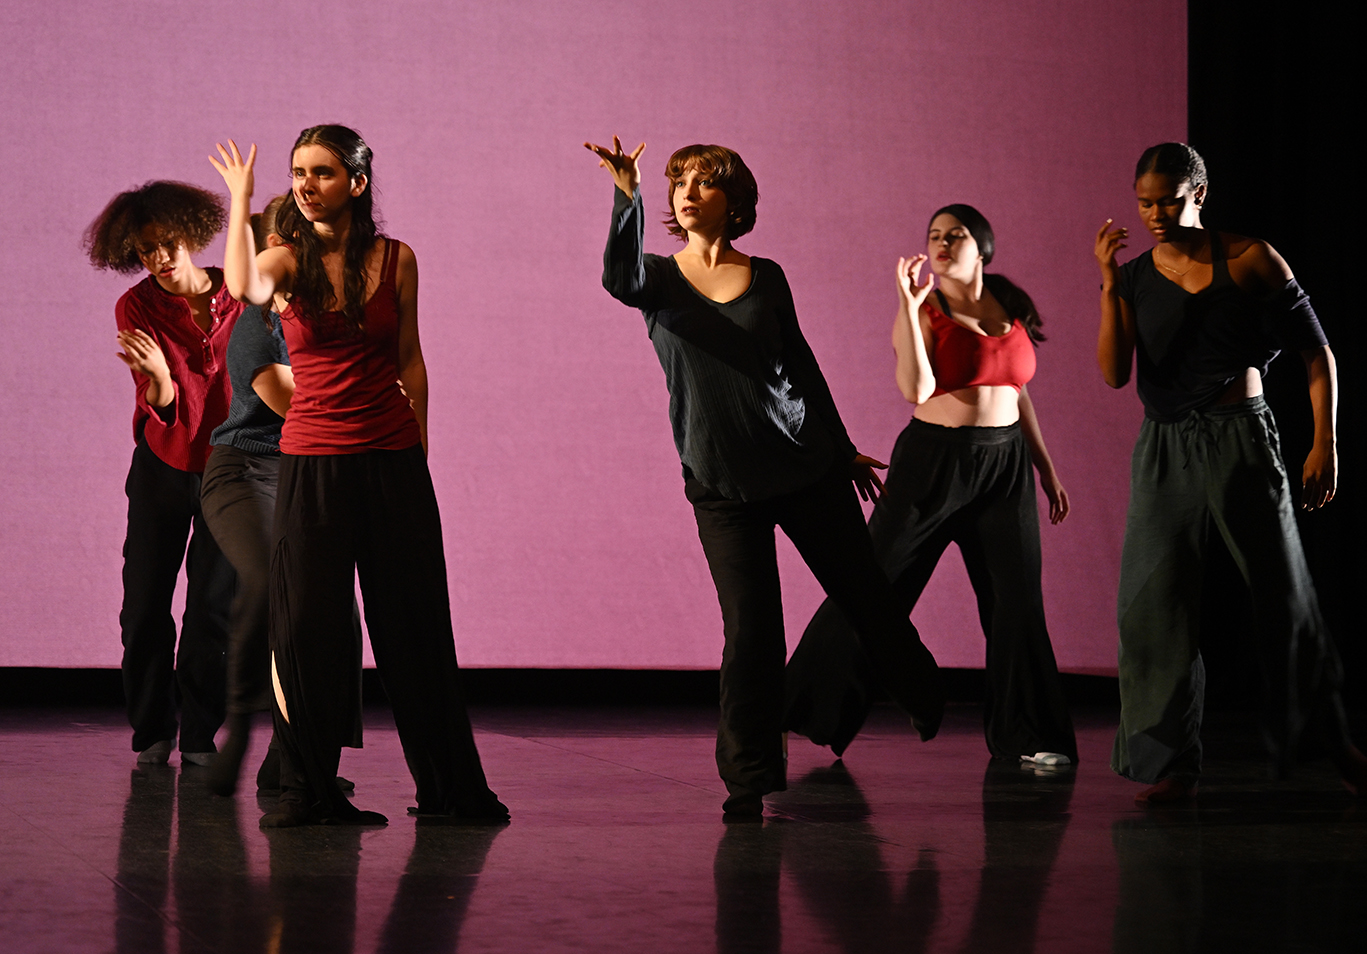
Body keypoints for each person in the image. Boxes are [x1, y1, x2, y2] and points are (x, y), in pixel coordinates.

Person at [586, 135, 945, 819]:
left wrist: (840, 449)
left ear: (735, 201)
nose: (687, 193)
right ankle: (749, 777)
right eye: (678, 183)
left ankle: (922, 692)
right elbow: (618, 278)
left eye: (703, 183)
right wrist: (625, 191)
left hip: (804, 467)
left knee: (865, 595)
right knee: (751, 631)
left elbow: (800, 367)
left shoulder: (769, 276)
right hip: (721, 486)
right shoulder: (657, 278)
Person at [210, 125, 507, 826]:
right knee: (309, 629)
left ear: (358, 183)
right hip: (314, 464)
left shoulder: (397, 259)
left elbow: (410, 360)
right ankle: (306, 794)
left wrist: (419, 450)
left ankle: (450, 791)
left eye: (322, 172)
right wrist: (242, 196)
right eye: (298, 173)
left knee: (416, 627)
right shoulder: (281, 260)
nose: (307, 184)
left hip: (393, 460)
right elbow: (239, 282)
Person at [1094, 142, 1367, 804]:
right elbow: (1114, 375)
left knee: (1284, 596)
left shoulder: (1251, 257)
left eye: (1169, 199)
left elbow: (1317, 352)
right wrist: (1110, 284)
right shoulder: (1135, 276)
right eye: (1144, 202)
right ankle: (1170, 764)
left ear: (1199, 193)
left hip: (1240, 437)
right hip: (1164, 445)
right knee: (1151, 607)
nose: (1155, 213)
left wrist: (1325, 443)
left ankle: (1330, 740)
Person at [784, 205, 1077, 765]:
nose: (942, 243)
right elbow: (914, 388)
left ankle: (1030, 737)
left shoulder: (1009, 304)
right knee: (873, 585)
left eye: (956, 235)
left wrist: (1046, 468)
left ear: (983, 247)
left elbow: (1017, 389)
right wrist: (908, 307)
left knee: (1016, 603)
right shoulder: (925, 308)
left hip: (1005, 464)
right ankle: (798, 707)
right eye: (934, 236)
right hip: (932, 463)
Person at [199, 196, 364, 796]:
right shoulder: (259, 323)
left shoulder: (334, 312)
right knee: (272, 582)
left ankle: (303, 754)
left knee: (337, 609)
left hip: (308, 475)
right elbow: (292, 404)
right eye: (287, 241)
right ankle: (240, 727)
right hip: (245, 469)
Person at [85, 181, 240, 766]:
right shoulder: (138, 305)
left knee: (213, 611)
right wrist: (162, 379)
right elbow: (162, 405)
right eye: (147, 249)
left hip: (229, 470)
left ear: (194, 236)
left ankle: (201, 734)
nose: (160, 258)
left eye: (169, 243)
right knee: (144, 605)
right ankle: (153, 729)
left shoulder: (242, 295)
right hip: (162, 466)